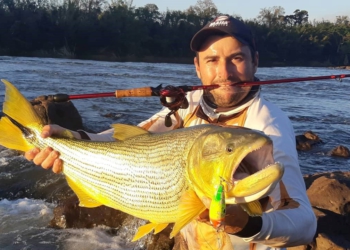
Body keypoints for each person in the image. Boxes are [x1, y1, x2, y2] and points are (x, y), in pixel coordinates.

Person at [25, 15, 316, 249]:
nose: (225, 73)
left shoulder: (268, 127)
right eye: (212, 61)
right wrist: (70, 140)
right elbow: (127, 141)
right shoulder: (186, 106)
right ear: (198, 68)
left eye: (237, 59)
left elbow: (305, 223)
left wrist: (248, 224)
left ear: (255, 61)